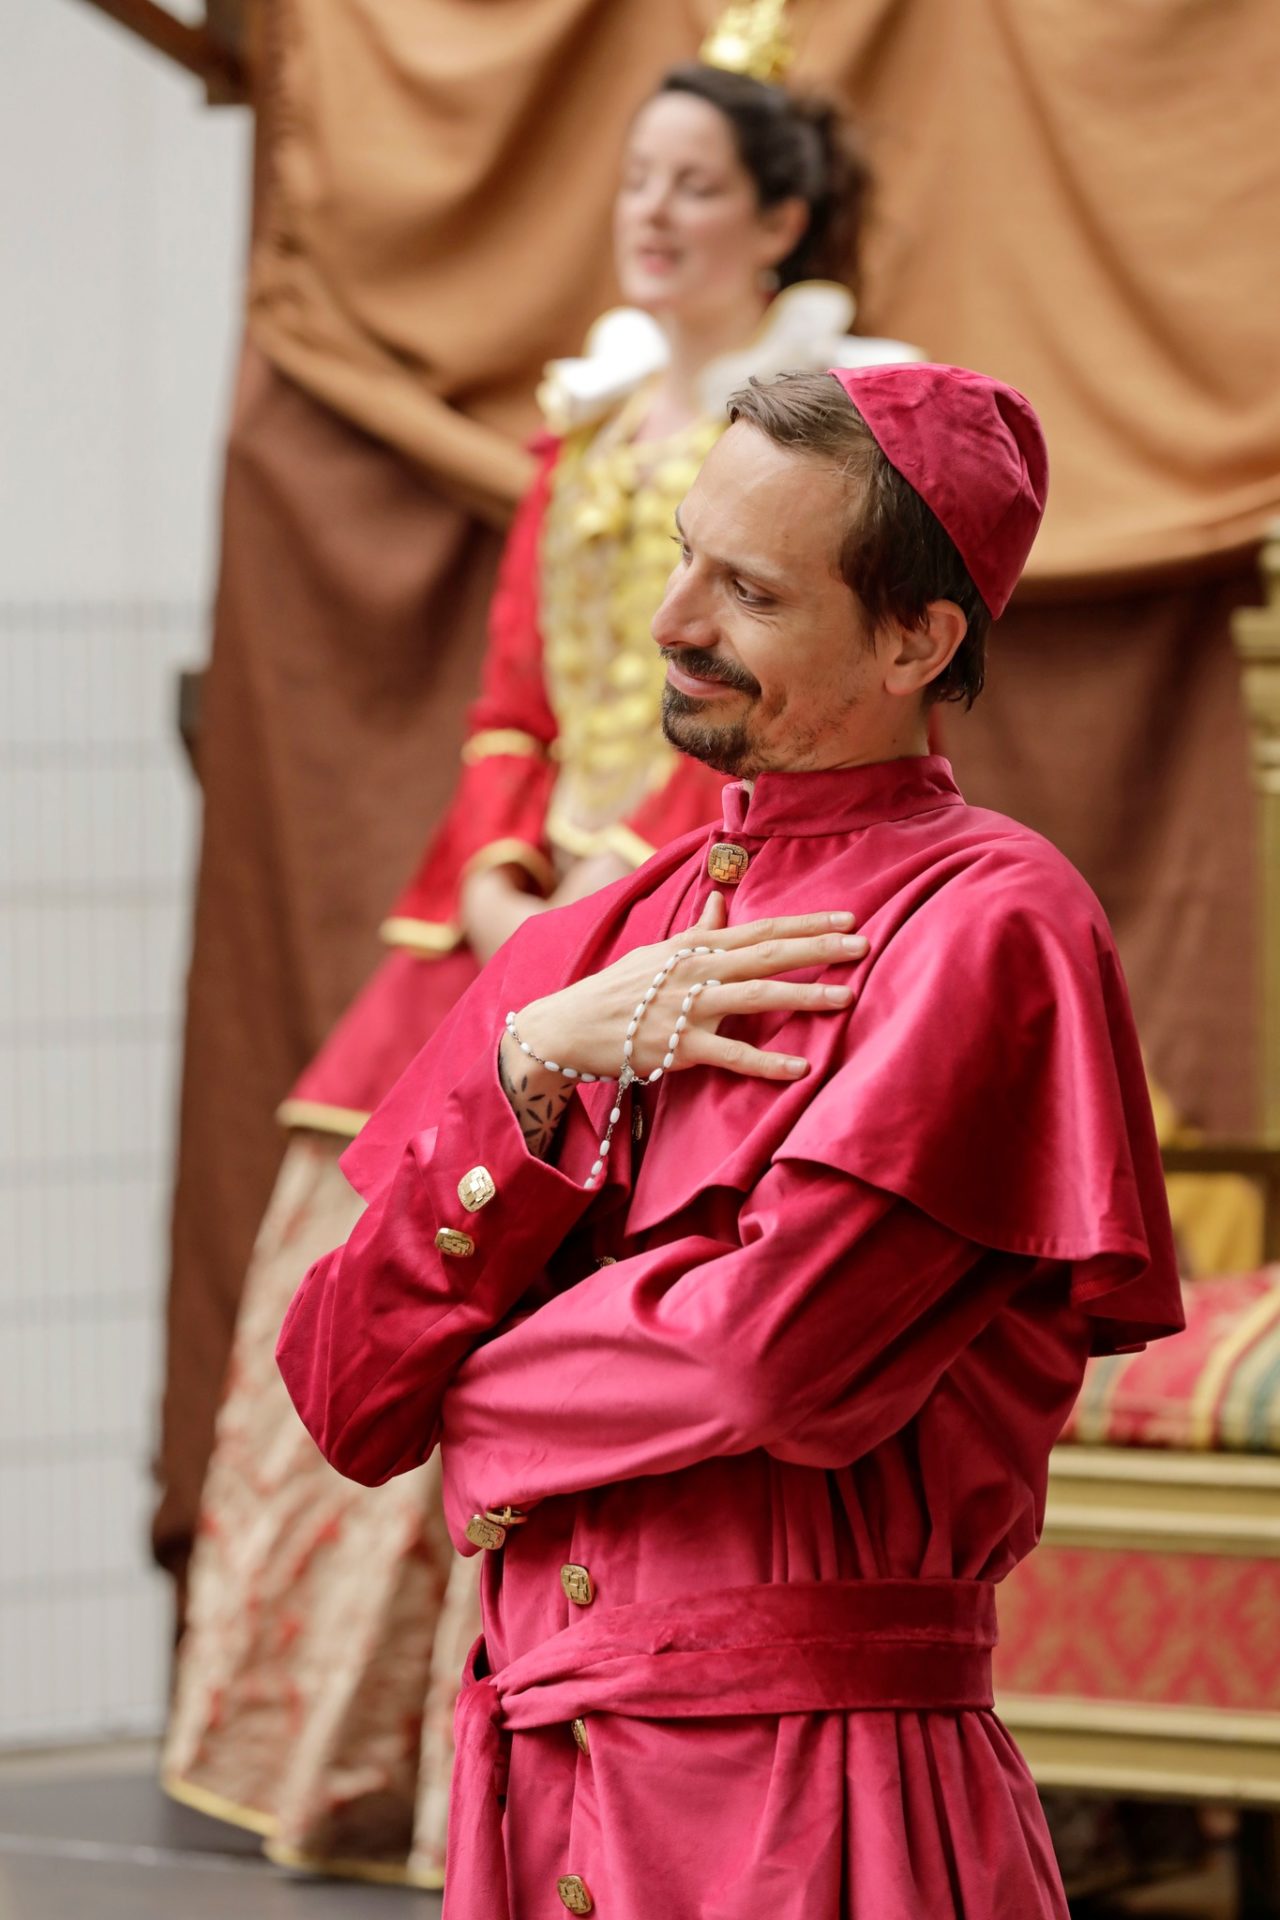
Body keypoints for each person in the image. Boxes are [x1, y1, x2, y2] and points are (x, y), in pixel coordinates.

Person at [278, 361, 1183, 1920]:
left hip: (814, 1805)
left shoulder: (990, 924)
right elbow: (346, 1391)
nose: (671, 619)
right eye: (685, 556)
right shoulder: (586, 947)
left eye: (750, 592)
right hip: (540, 1793)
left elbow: (756, 1359)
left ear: (917, 641)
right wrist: (525, 1065)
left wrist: (468, 1397)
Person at [161, 62, 918, 1881]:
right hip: (522, 917)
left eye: (694, 184)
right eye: (636, 179)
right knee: (371, 1224)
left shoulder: (819, 443)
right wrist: (505, 887)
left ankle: (538, 1765)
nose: (651, 213)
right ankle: (355, 1767)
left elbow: (770, 708)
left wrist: (620, 885)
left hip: (697, 882)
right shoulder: (575, 424)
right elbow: (512, 703)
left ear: (782, 219)